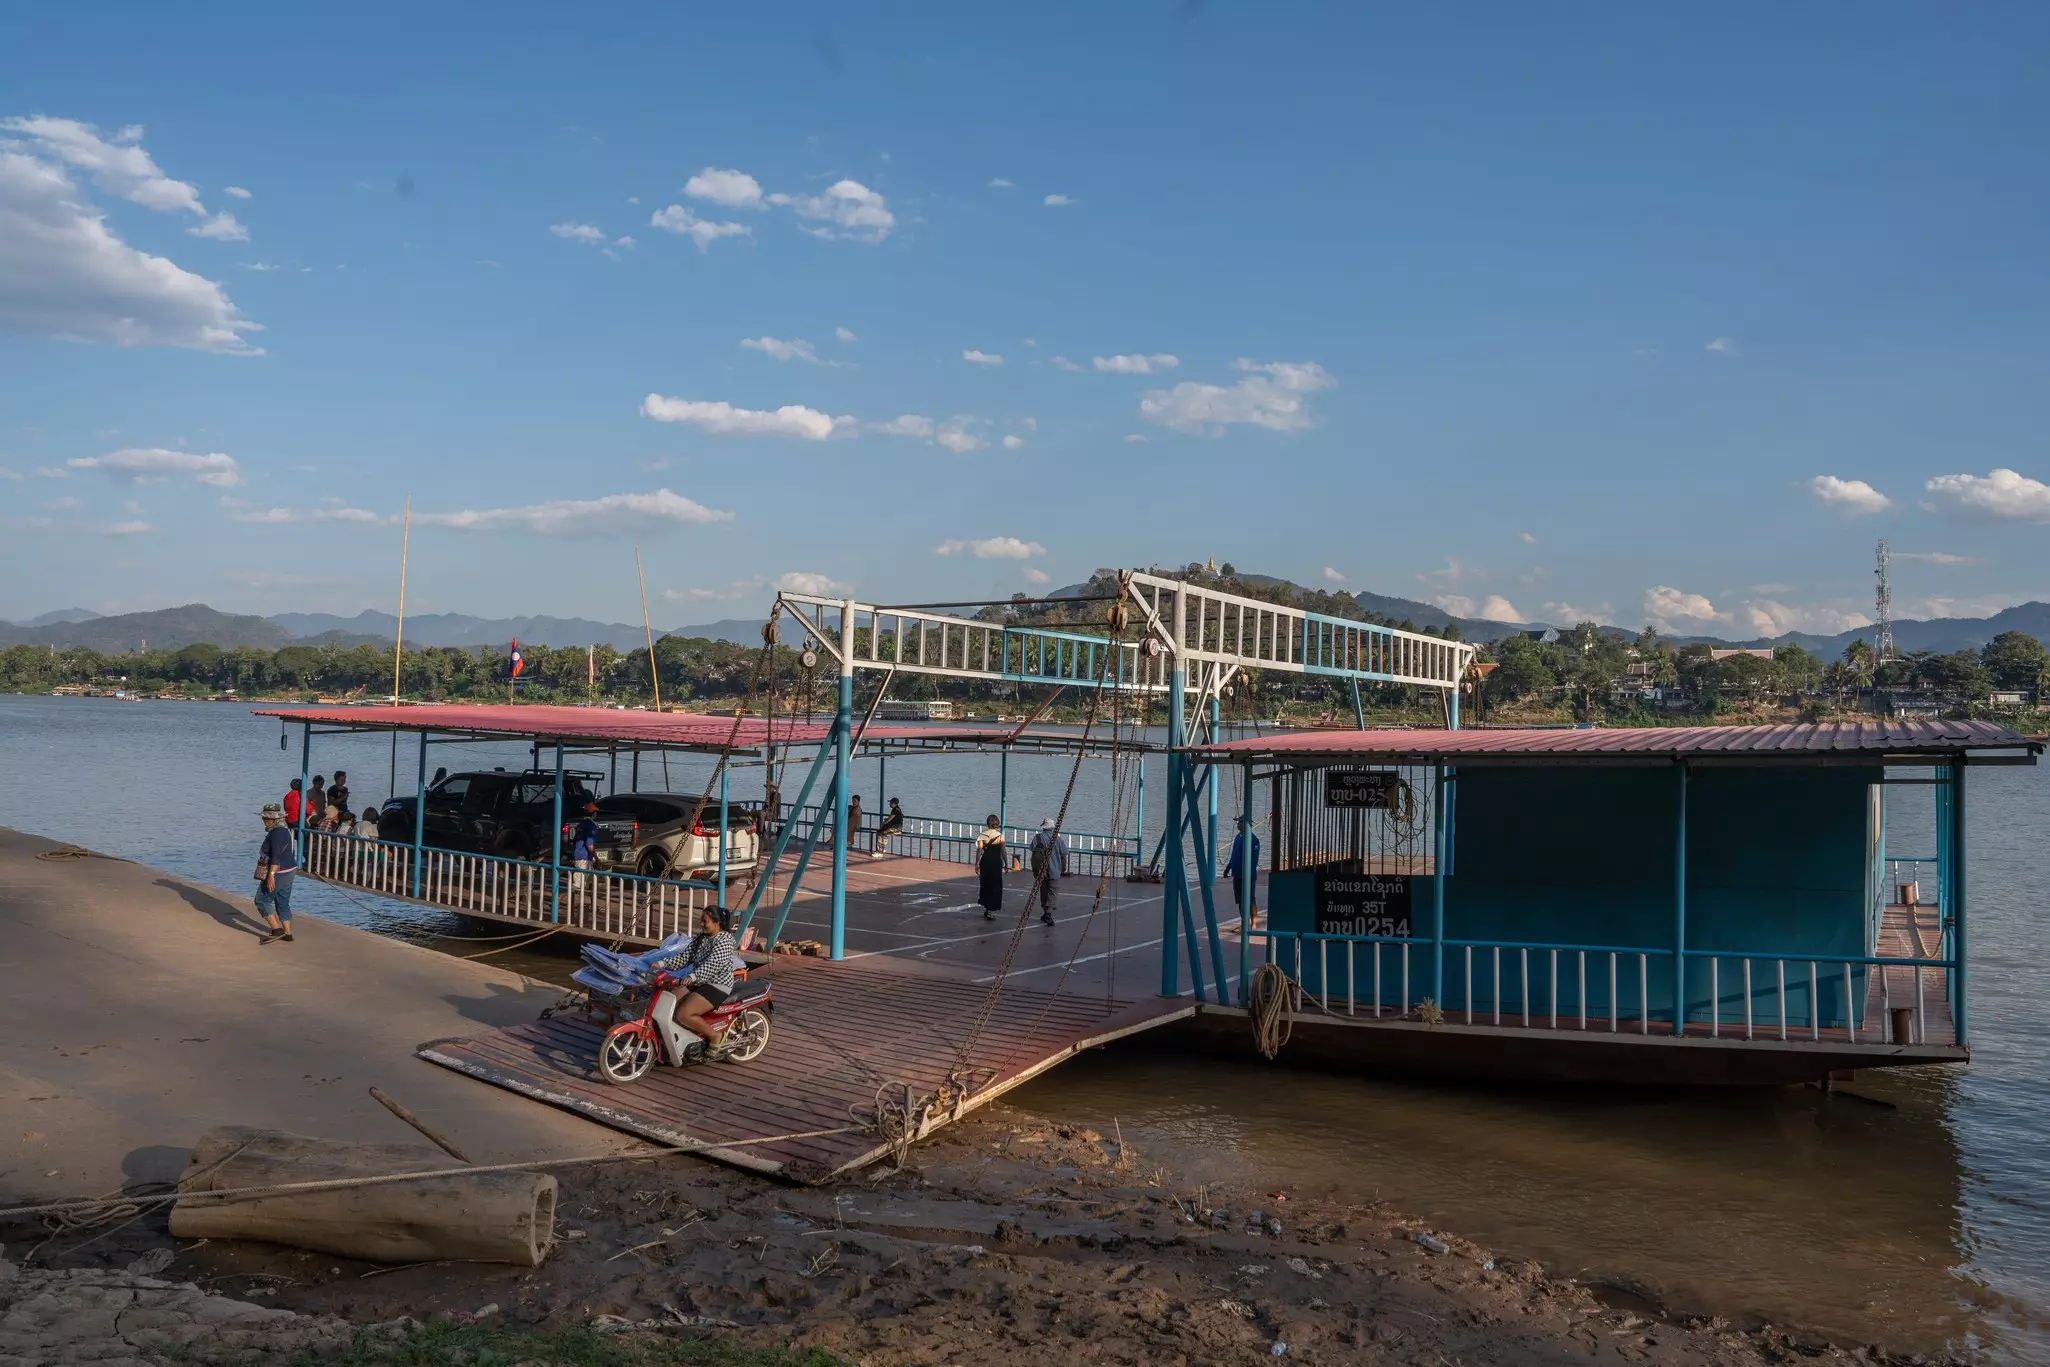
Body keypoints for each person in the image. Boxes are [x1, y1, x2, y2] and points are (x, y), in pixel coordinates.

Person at [665, 906, 739, 1057]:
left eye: (705, 922)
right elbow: (684, 957)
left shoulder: (725, 941)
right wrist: (661, 964)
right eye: (701, 921)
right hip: (698, 981)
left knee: (684, 1013)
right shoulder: (701, 938)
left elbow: (712, 965)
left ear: (716, 922)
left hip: (717, 984)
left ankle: (715, 1036)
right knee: (668, 1003)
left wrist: (692, 977)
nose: (702, 925)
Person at [253, 802, 298, 944]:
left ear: (273, 819)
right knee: (282, 900)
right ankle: (288, 933)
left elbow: (276, 856)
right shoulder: (284, 830)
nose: (263, 821)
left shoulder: (276, 833)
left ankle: (276, 930)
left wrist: (271, 875)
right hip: (289, 869)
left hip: (279, 872)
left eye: (266, 818)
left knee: (261, 900)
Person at [1028, 818, 1067, 927]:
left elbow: (1032, 850)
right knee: (1053, 892)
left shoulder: (1038, 838)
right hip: (1055, 871)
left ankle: (1045, 912)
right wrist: (1063, 868)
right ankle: (1049, 913)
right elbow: (1064, 855)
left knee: (1043, 891)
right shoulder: (1058, 840)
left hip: (1041, 871)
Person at [1225, 814, 1262, 929]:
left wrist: (1248, 873)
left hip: (1248, 876)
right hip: (1237, 874)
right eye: (1238, 822)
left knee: (1250, 899)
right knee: (1240, 900)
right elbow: (1234, 855)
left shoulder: (1253, 840)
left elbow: (1254, 860)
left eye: (1240, 822)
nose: (1238, 825)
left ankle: (1253, 923)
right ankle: (1244, 922)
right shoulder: (1238, 837)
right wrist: (1228, 867)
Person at [973, 815, 1006, 922]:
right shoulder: (1000, 836)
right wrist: (1006, 863)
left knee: (985, 885)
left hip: (985, 863)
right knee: (995, 886)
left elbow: (979, 851)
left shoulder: (982, 835)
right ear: (997, 824)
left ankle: (986, 906)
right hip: (996, 863)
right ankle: (990, 910)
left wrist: (977, 864)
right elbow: (1003, 851)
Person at [570, 800, 600, 889]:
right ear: (593, 814)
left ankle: (576, 902)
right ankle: (559, 899)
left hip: (580, 857)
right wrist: (597, 858)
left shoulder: (582, 824)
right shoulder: (591, 826)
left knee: (588, 884)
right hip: (584, 859)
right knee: (578, 887)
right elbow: (589, 845)